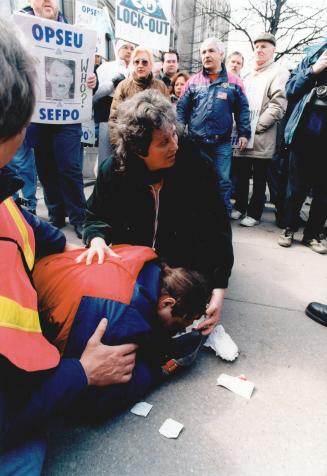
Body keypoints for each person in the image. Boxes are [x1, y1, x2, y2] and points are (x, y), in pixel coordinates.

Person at [0, 17, 138, 473]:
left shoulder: (11, 207)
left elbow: (46, 235)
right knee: (25, 456)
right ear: (22, 129)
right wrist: (81, 372)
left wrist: (81, 242)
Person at [78, 89, 234, 339]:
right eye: (163, 142)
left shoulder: (196, 166)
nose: (174, 145)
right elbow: (95, 215)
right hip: (135, 259)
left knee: (185, 309)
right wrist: (96, 239)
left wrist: (219, 288)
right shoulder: (114, 171)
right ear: (139, 149)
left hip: (184, 258)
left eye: (173, 134)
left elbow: (217, 228)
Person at [34, 244, 209, 401]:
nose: (181, 329)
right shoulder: (123, 320)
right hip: (31, 320)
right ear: (167, 303)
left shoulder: (145, 257)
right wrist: (155, 369)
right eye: (180, 324)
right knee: (119, 380)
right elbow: (95, 394)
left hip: (41, 273)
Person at [22, 0, 97, 239]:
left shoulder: (76, 34)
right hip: (37, 117)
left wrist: (90, 80)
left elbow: (85, 74)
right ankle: (56, 212)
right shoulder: (18, 30)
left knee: (70, 166)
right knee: (45, 168)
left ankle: (79, 216)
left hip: (67, 118)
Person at [177, 37, 251, 215]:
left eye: (211, 51)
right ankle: (194, 215)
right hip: (196, 143)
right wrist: (178, 132)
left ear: (221, 54)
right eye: (203, 52)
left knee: (223, 181)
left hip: (222, 143)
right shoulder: (193, 82)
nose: (206, 55)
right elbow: (181, 109)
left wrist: (244, 134)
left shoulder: (235, 82)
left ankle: (222, 218)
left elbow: (243, 110)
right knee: (194, 179)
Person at [231, 33, 290, 227]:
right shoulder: (247, 73)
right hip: (242, 133)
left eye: (264, 46)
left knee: (259, 178)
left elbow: (278, 104)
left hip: (261, 134)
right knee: (240, 172)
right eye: (257, 46)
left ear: (273, 50)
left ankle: (254, 213)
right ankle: (240, 206)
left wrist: (257, 127)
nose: (260, 49)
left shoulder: (278, 72)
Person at [278, 40, 327, 254]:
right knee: (296, 188)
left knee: (324, 192)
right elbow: (290, 90)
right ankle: (289, 228)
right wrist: (314, 70)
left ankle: (312, 235)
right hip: (304, 137)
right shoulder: (311, 58)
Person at [93, 39, 135, 169]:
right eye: (125, 47)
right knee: (105, 159)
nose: (129, 51)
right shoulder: (106, 67)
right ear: (117, 49)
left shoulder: (137, 68)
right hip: (107, 116)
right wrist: (112, 83)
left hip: (130, 118)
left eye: (131, 48)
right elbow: (94, 95)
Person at [109, 46, 169, 129]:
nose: (140, 65)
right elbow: (114, 118)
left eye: (144, 62)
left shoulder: (161, 86)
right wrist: (116, 141)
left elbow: (168, 116)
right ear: (132, 64)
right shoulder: (123, 86)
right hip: (130, 137)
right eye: (136, 62)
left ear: (151, 65)